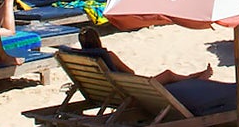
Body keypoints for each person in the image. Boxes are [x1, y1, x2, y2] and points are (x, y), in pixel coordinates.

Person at [76, 27, 213, 84]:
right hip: (130, 89)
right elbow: (130, 72)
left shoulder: (80, 57)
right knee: (168, 75)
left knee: (169, 76)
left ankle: (196, 76)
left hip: (107, 90)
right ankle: (197, 79)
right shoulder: (107, 56)